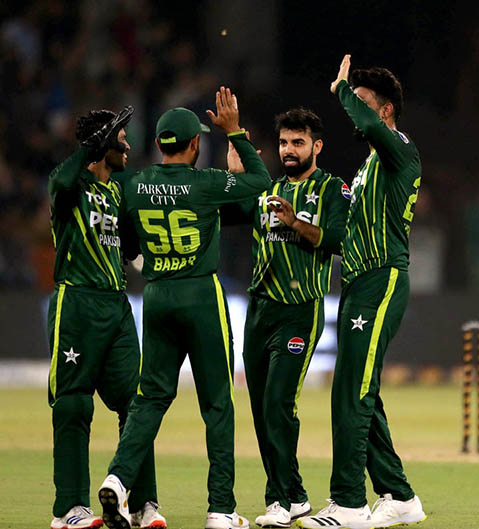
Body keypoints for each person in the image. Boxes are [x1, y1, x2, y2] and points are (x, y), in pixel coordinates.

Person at [97, 88, 270, 529]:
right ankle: (221, 510)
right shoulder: (206, 182)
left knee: (150, 398)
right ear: (195, 145)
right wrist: (236, 132)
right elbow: (260, 182)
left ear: (158, 144)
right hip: (200, 295)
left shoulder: (131, 184)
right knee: (217, 404)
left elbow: (122, 235)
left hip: (156, 297)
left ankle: (118, 479)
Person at [297, 55, 426, 529]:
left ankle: (348, 503)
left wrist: (342, 90)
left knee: (352, 391)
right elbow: (343, 238)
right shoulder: (371, 165)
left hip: (382, 278)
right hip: (355, 282)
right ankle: (399, 496)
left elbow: (369, 126)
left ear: (386, 111)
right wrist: (298, 226)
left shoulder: (399, 151)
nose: (359, 114)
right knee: (357, 390)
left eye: (367, 105)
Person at [223, 108, 349, 528]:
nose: (289, 150)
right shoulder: (266, 187)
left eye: (298, 142)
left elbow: (337, 239)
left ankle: (277, 498)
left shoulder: (332, 189)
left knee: (279, 402)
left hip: (300, 310)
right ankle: (293, 496)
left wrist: (295, 222)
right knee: (261, 407)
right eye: (283, 143)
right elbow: (226, 212)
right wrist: (235, 177)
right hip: (260, 310)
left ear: (317, 146)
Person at [46, 107, 166, 529]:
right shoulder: (70, 186)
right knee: (74, 405)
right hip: (76, 303)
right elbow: (59, 181)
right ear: (102, 143)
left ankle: (142, 503)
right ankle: (69, 509)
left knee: (137, 404)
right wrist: (89, 148)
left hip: (116, 307)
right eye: (122, 138)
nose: (129, 146)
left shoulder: (118, 191)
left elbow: (132, 243)